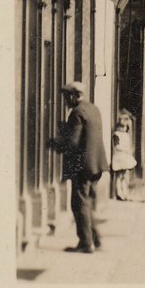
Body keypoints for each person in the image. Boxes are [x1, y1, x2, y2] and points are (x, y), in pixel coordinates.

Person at [48, 81, 109, 254]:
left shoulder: (76, 112)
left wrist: (55, 144)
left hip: (83, 166)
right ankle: (94, 240)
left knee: (79, 203)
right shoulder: (93, 109)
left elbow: (73, 143)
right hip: (96, 164)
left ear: (75, 95)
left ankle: (86, 243)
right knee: (86, 203)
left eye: (67, 96)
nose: (66, 100)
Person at [111, 109, 138, 201]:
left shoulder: (126, 135)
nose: (123, 129)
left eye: (125, 127)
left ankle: (125, 192)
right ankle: (119, 193)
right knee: (119, 176)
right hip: (119, 157)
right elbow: (117, 146)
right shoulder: (117, 135)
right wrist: (126, 149)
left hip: (125, 157)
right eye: (121, 127)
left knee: (124, 176)